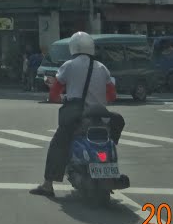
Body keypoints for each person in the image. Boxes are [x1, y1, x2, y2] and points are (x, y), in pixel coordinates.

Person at [30, 32, 124, 198]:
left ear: (73, 47)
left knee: (57, 144)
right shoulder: (102, 67)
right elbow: (112, 95)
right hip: (102, 118)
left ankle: (48, 184)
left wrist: (62, 98)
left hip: (78, 118)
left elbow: (54, 93)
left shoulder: (69, 65)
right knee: (112, 132)